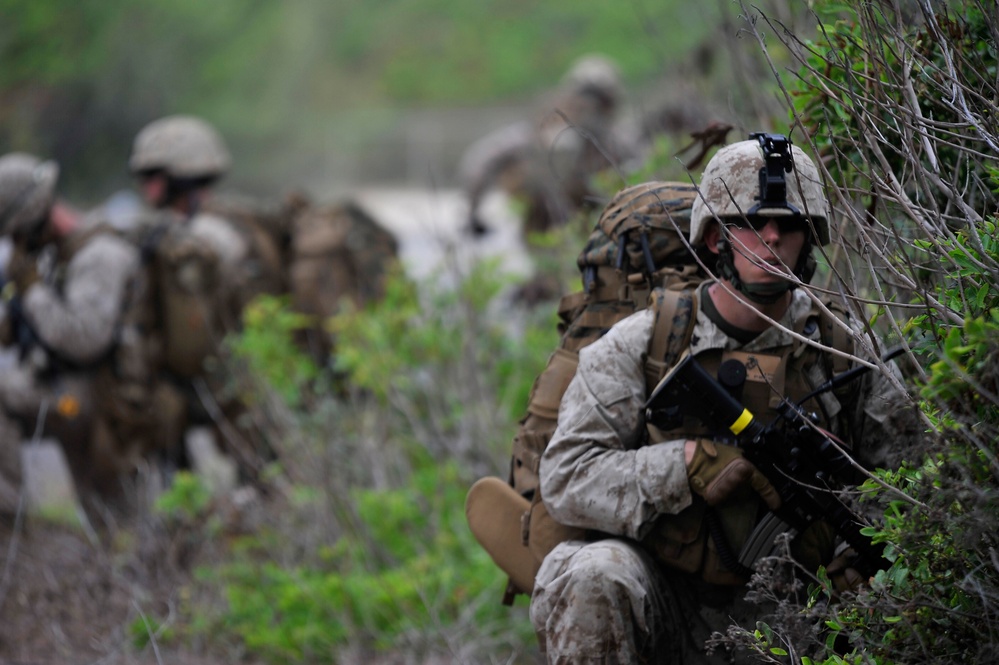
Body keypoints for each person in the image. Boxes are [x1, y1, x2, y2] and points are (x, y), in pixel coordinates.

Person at [528, 135, 921, 662]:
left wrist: (857, 549)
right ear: (716, 240)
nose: (772, 238)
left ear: (809, 240)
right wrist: (686, 464)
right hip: (669, 604)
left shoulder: (844, 352)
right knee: (593, 574)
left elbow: (911, 496)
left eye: (789, 225)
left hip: (801, 611)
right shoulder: (644, 344)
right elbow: (567, 478)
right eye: (751, 224)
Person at [0, 152, 172, 503]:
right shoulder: (53, 256)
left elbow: (85, 339)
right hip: (69, 387)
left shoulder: (99, 256)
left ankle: (6, 516)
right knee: (110, 519)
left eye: (16, 232)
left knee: (119, 516)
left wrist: (32, 289)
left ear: (31, 220)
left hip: (97, 397)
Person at [458, 53, 638, 237]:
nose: (590, 108)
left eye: (599, 101)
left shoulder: (619, 142)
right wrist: (473, 212)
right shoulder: (544, 131)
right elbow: (483, 159)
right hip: (545, 233)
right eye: (584, 99)